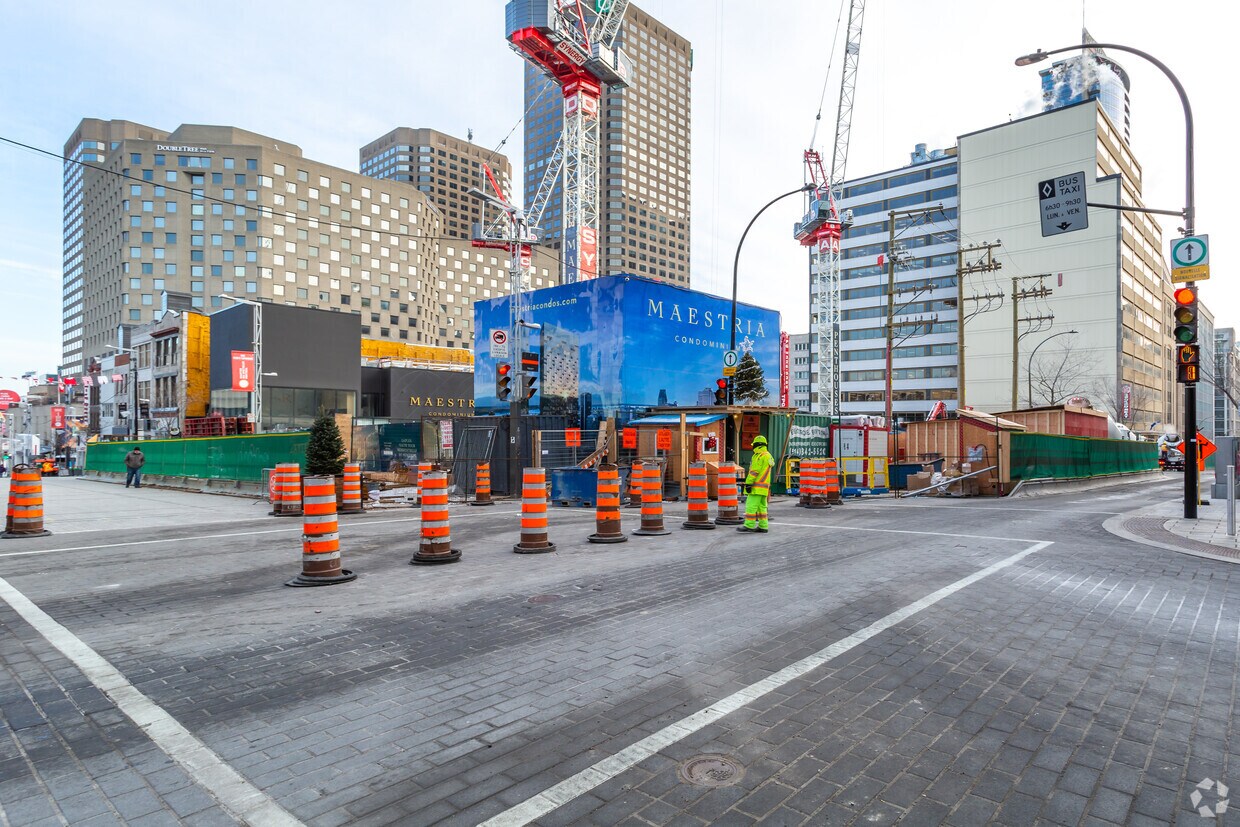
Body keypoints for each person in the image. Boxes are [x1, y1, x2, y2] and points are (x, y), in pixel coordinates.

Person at [738, 435, 773, 533]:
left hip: (756, 487)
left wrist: (748, 483)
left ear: (757, 445)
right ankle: (763, 526)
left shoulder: (759, 456)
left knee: (751, 506)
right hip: (764, 487)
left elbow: (754, 471)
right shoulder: (768, 455)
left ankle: (749, 525)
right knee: (762, 507)